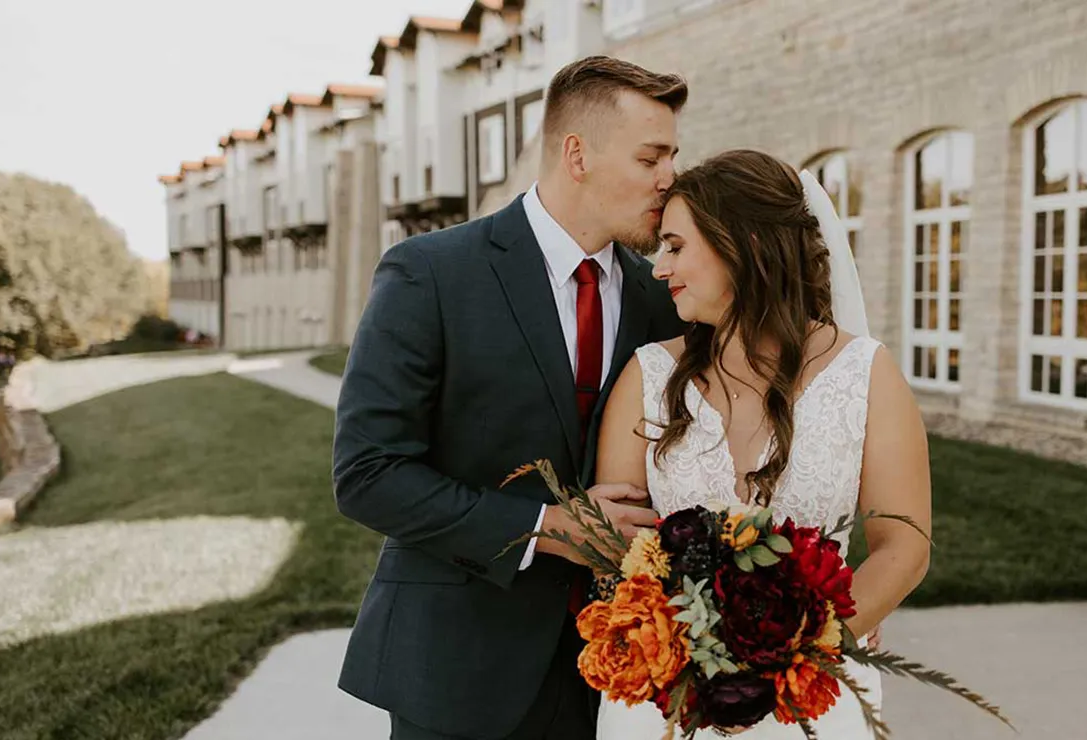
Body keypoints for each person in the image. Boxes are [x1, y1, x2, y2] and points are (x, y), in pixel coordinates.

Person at [331, 56, 687, 739]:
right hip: (460, 670)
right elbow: (367, 475)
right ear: (576, 154)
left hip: (621, 679)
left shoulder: (662, 298)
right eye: (652, 157)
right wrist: (548, 529)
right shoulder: (429, 274)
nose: (670, 177)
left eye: (673, 155)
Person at [593, 149, 933, 738]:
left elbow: (903, 546)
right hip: (671, 706)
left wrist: (806, 643)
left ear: (741, 245)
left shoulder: (866, 375)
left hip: (812, 700)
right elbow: (613, 554)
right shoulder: (646, 377)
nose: (659, 269)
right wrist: (692, 651)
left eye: (676, 246)